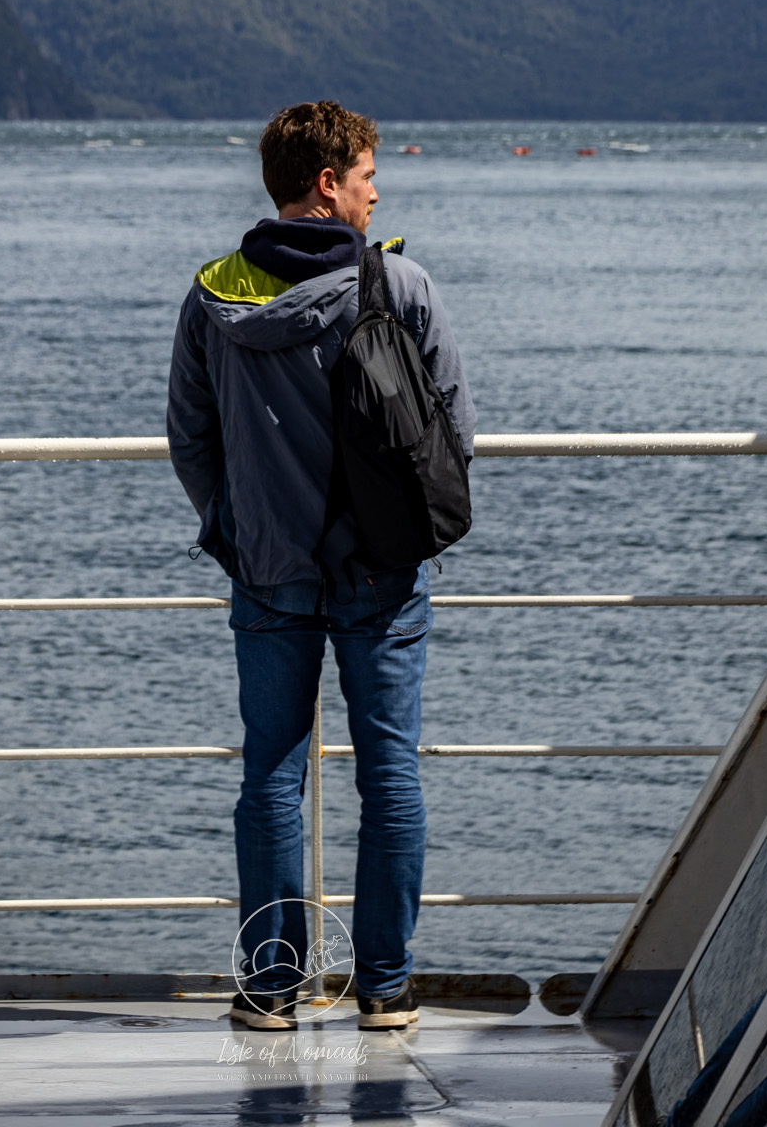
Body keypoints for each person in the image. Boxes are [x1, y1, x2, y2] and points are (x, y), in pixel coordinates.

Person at [166, 99, 476, 1034]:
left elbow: (190, 439)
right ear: (327, 182)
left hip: (266, 571)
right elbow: (452, 434)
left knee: (271, 775)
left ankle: (271, 989)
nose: (377, 193)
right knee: (389, 777)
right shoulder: (400, 288)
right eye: (368, 176)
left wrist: (236, 524)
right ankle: (384, 988)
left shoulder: (214, 294)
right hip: (382, 572)